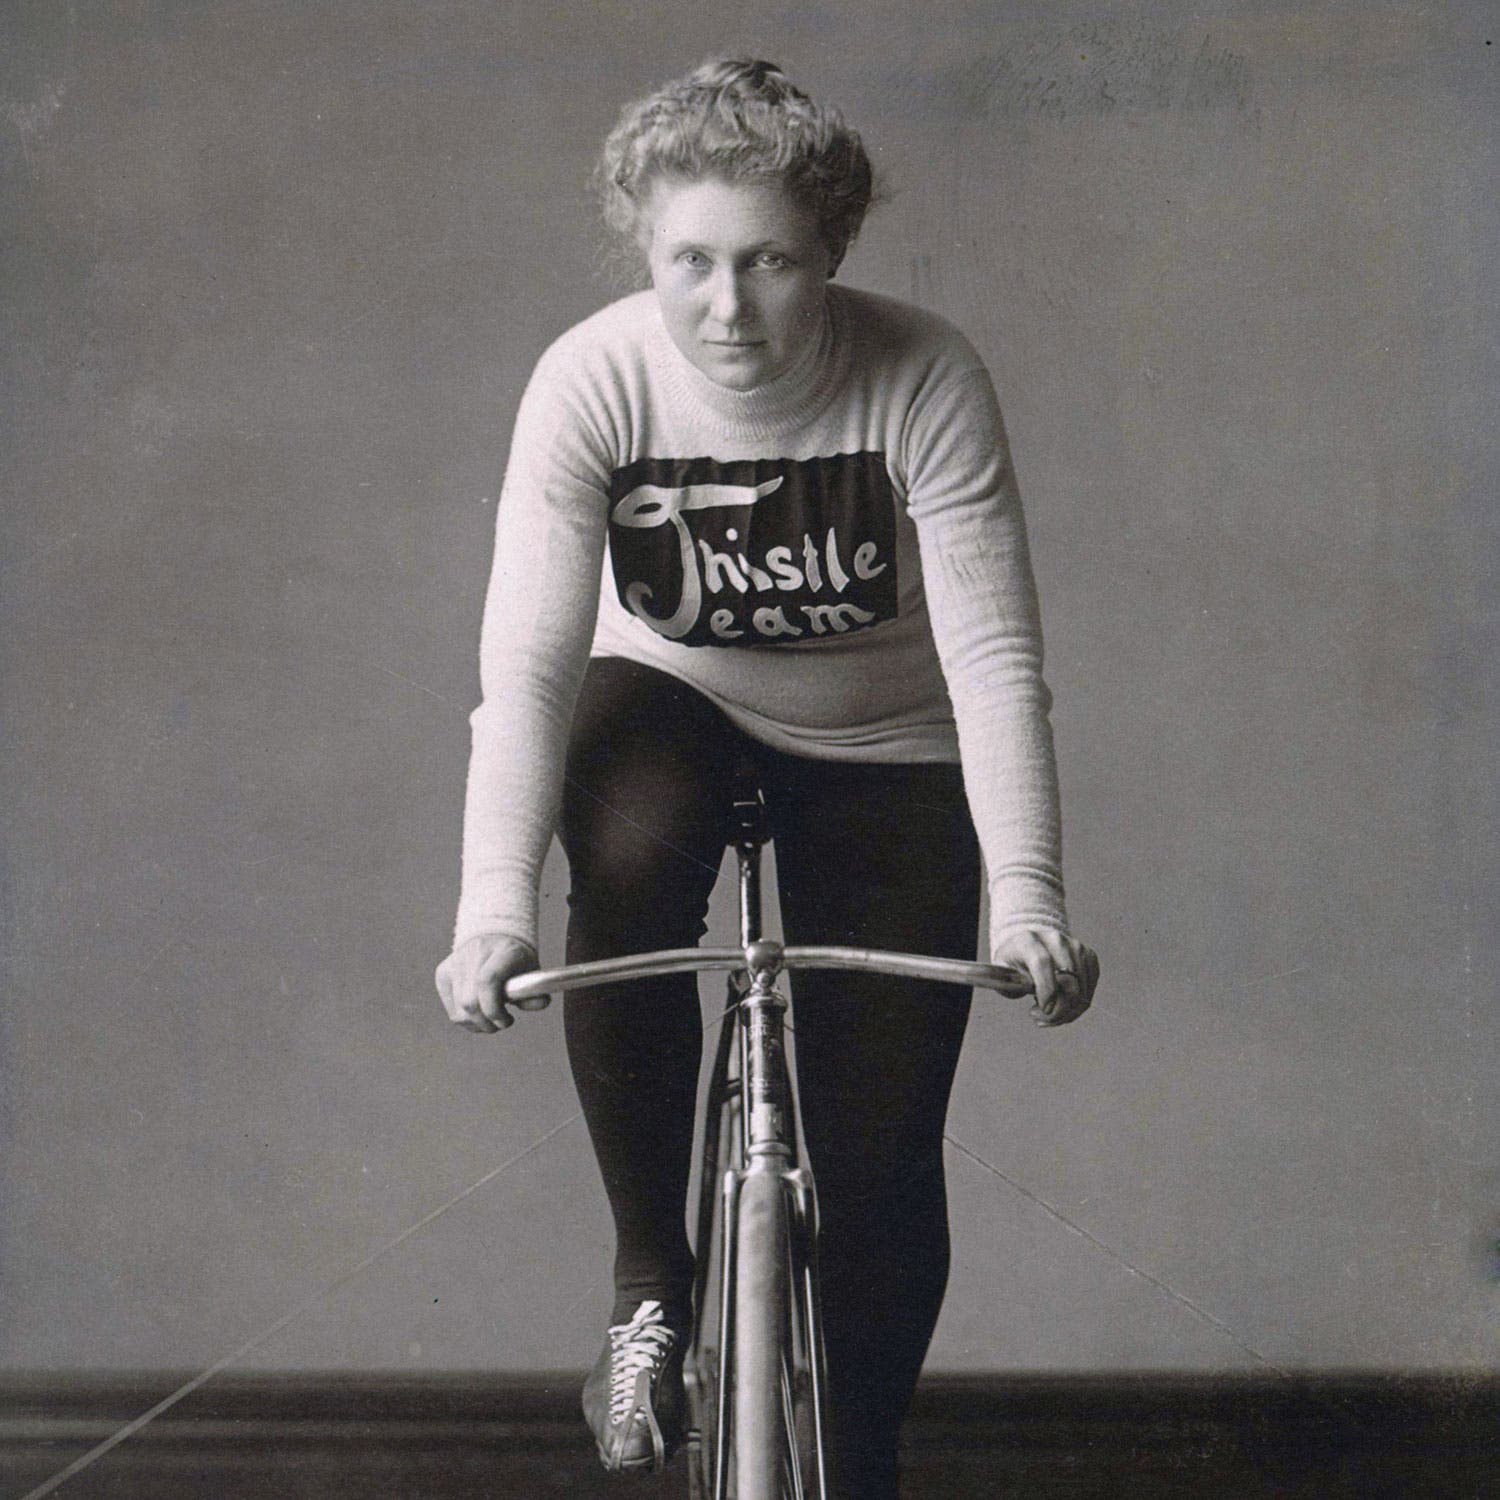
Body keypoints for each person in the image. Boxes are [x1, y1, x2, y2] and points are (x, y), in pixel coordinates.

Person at [435, 57, 1099, 1499]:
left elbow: (993, 659)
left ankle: (859, 1462)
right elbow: (529, 671)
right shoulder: (593, 378)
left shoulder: (922, 374)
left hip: (885, 738)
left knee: (881, 1157)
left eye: (770, 262)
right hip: (670, 705)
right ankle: (649, 1292)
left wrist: (1030, 895)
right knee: (630, 850)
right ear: (643, 246)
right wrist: (491, 910)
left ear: (833, 249)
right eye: (691, 261)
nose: (727, 309)